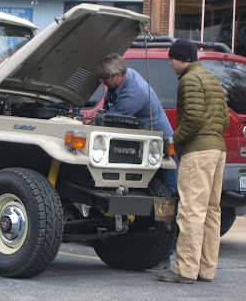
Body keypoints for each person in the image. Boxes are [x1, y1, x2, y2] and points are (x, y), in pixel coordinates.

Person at [156, 39, 229, 284]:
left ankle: (185, 269)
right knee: (211, 211)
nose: (169, 63)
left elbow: (193, 119)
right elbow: (226, 120)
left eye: (171, 59)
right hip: (218, 151)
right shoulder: (212, 79)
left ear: (182, 60)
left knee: (190, 210)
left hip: (198, 152)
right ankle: (206, 269)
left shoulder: (189, 80)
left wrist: (175, 140)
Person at [96, 53, 176, 192]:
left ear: (119, 75)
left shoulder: (134, 93)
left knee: (166, 188)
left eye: (105, 78)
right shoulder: (127, 75)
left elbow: (110, 119)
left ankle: (171, 210)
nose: (101, 80)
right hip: (144, 138)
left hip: (159, 142)